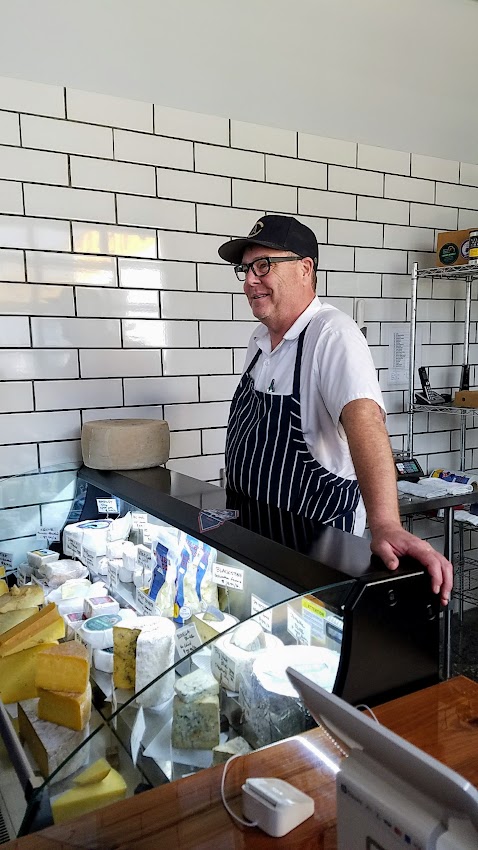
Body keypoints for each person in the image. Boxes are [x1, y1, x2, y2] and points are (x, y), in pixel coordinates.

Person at [218, 214, 453, 605]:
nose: (249, 280)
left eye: (264, 266)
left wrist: (385, 524)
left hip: (314, 559)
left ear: (305, 269)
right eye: (245, 269)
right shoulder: (260, 342)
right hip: (254, 545)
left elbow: (366, 421)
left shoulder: (332, 335)